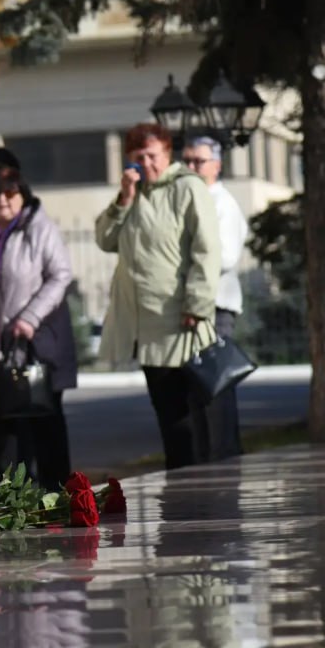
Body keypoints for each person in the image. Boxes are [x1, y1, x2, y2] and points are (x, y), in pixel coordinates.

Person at [96, 123, 220, 470]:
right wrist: (124, 198)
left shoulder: (188, 188)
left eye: (152, 155)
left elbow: (206, 249)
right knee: (165, 408)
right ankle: (180, 476)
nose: (146, 164)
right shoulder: (133, 193)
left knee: (185, 409)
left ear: (167, 154)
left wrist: (197, 303)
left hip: (177, 316)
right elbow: (105, 240)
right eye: (138, 158)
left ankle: (195, 478)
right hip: (143, 320)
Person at [0, 170, 78, 493]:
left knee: (43, 425)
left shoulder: (39, 227)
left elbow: (60, 274)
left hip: (31, 342)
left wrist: (31, 316)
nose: (3, 200)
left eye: (10, 193)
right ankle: (11, 499)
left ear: (23, 194)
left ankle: (56, 496)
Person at [183, 136, 249, 460]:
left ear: (217, 165)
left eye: (199, 161)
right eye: (188, 161)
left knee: (217, 388)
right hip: (190, 307)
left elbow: (224, 257)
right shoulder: (189, 200)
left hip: (215, 305)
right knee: (196, 390)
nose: (192, 168)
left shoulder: (223, 204)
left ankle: (225, 457)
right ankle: (204, 457)